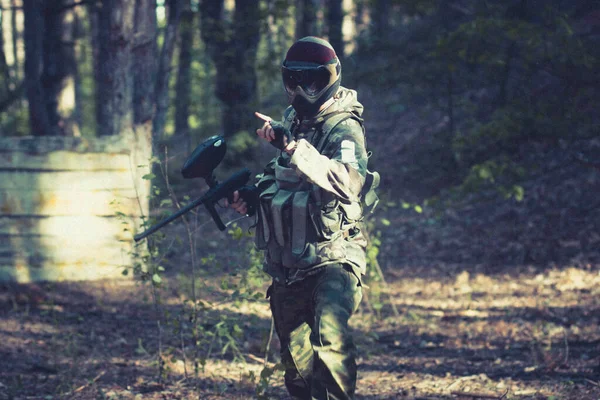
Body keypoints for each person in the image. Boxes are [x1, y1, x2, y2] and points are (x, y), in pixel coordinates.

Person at [228, 36, 377, 400]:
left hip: (334, 258)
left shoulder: (343, 128)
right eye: (293, 81)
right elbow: (279, 177)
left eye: (309, 81)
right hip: (290, 263)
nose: (300, 90)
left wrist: (293, 147)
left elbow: (348, 181)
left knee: (330, 342)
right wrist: (250, 198)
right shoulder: (293, 121)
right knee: (296, 366)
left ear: (328, 79)